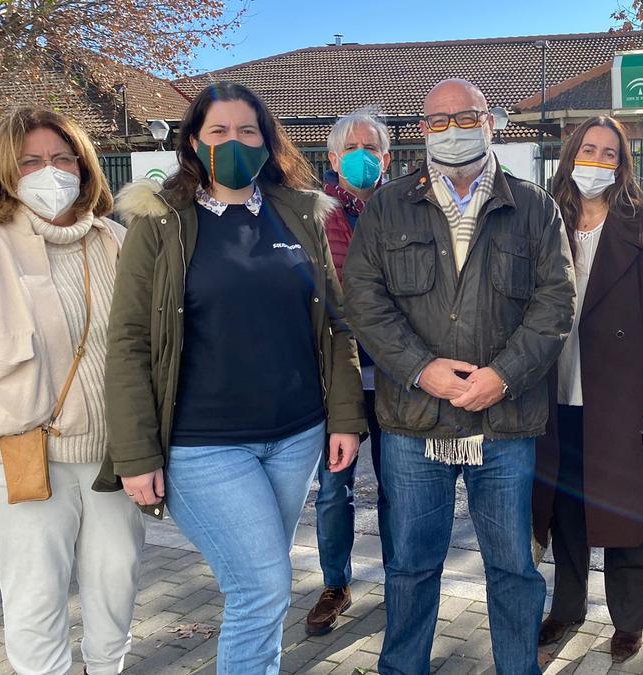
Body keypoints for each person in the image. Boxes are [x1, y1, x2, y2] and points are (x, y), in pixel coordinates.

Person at [98, 82, 366, 674]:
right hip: (204, 445)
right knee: (263, 586)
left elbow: (335, 324)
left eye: (248, 131)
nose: (235, 142)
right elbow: (129, 340)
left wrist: (344, 416)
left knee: (262, 584)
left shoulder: (300, 213)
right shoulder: (161, 220)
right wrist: (136, 452)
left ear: (268, 142)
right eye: (219, 131)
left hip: (296, 437)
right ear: (194, 141)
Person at [343, 78, 575, 675]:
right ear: (422, 131)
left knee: (513, 569)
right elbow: (365, 302)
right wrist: (421, 370)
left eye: (465, 116)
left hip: (503, 422)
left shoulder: (535, 208)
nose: (452, 129)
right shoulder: (389, 207)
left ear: (490, 122)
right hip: (414, 424)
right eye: (438, 120)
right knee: (411, 567)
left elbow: (556, 305)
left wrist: (503, 375)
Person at [0, 107, 144, 674]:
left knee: (115, 588)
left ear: (84, 165)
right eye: (32, 162)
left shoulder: (115, 240)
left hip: (112, 460)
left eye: (62, 158)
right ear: (6, 172)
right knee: (36, 601)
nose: (51, 171)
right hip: (19, 459)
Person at [530, 116, 643, 663]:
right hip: (555, 395)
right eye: (587, 149)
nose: (596, 160)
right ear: (570, 155)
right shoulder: (545, 220)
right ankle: (567, 607)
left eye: (608, 153)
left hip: (620, 399)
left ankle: (630, 618)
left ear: (622, 164)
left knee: (625, 514)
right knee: (562, 510)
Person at [307, 107, 393, 636]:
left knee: (398, 487)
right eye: (351, 148)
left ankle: (400, 578)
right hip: (337, 376)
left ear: (386, 158)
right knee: (333, 488)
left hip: (396, 377)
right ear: (334, 158)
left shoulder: (406, 209)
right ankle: (335, 584)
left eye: (373, 148)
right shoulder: (313, 214)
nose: (363, 157)